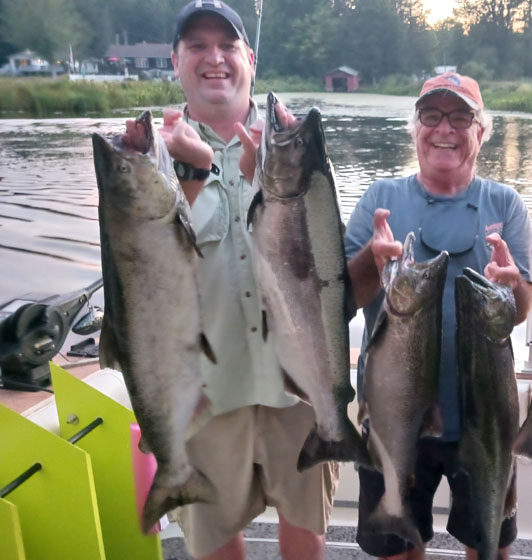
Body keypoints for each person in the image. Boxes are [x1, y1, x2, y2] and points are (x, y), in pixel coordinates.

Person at [157, 1, 338, 559]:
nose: (214, 59)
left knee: (306, 538)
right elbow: (147, 277)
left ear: (250, 59)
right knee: (214, 547)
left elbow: (323, 268)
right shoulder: (148, 156)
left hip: (301, 388)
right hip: (205, 396)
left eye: (227, 46)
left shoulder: (295, 149)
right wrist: (189, 173)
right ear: (176, 61)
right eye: (197, 47)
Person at [344, 73, 532, 560]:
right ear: (415, 128)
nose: (444, 129)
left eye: (460, 117)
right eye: (431, 116)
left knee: (491, 546)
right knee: (396, 548)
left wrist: (514, 284)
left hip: (484, 418)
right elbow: (345, 300)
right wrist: (372, 258)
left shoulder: (506, 204)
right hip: (394, 415)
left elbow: (519, 314)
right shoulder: (379, 199)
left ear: (482, 132)